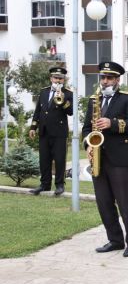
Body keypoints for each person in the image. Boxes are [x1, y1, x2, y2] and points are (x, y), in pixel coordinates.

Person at [82, 61, 128, 257]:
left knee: (124, 202)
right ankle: (115, 240)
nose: (105, 81)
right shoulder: (94, 99)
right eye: (103, 77)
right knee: (104, 202)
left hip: (119, 158)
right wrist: (88, 144)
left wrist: (112, 123)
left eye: (109, 78)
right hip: (98, 158)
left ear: (117, 80)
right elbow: (86, 128)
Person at [29, 67, 73, 196]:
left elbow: (70, 112)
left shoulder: (68, 93)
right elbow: (38, 111)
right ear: (51, 78)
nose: (58, 80)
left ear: (64, 80)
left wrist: (63, 100)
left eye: (60, 78)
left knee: (59, 160)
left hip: (59, 132)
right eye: (56, 78)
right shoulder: (43, 92)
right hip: (44, 131)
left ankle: (59, 185)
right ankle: (44, 185)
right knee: (44, 160)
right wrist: (33, 127)